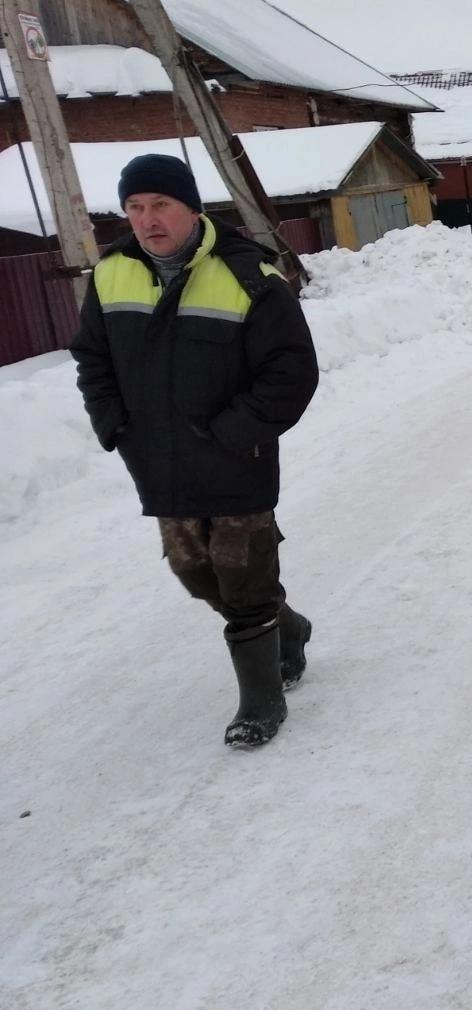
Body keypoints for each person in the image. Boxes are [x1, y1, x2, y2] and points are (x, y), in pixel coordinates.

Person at [70, 153, 319, 749]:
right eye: (135, 207)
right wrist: (115, 425)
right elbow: (93, 360)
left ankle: (262, 699)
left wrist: (235, 432)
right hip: (158, 461)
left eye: (160, 205)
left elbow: (291, 371)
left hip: (236, 459)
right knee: (195, 573)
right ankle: (289, 628)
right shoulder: (111, 276)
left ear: (190, 208)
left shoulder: (250, 274)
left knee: (243, 575)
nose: (147, 220)